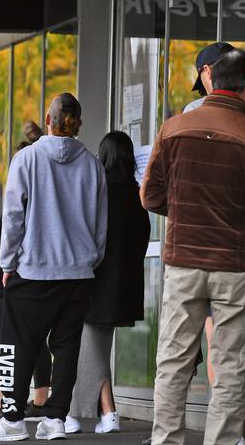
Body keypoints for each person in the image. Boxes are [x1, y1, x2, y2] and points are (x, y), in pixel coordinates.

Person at [141, 49, 245, 445]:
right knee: (232, 367)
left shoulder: (172, 129)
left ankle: (165, 440)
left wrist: (184, 211)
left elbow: (150, 197)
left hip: (184, 260)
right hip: (236, 267)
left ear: (210, 80)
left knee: (173, 363)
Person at [0, 93, 108, 441]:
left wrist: (7, 262)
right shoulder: (92, 164)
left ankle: (12, 418)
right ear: (78, 124)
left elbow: (13, 216)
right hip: (78, 273)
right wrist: (91, 260)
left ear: (48, 118)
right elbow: (100, 224)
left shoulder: (26, 159)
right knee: (67, 345)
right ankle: (55, 419)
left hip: (34, 269)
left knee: (16, 341)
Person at [184, 43, 245, 445]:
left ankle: (230, 431)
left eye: (203, 76)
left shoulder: (192, 117)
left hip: (206, 245)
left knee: (219, 340)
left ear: (211, 72)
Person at [64, 131, 150, 435]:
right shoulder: (138, 194)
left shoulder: (97, 191)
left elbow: (84, 236)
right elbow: (142, 240)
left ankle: (73, 413)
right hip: (125, 285)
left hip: (96, 281)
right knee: (98, 345)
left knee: (90, 346)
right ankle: (109, 412)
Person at [0, 121, 53, 425]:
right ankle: (37, 400)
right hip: (37, 272)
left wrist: (6, 262)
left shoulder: (23, 182)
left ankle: (8, 401)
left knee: (8, 339)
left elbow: (12, 225)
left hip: (15, 274)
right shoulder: (45, 186)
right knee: (37, 341)